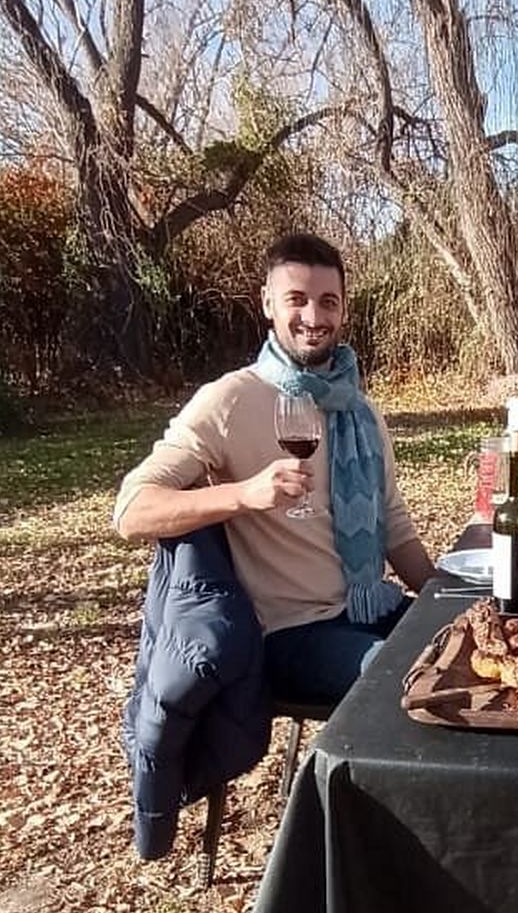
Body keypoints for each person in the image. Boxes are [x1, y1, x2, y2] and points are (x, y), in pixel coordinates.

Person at [115, 231, 437, 703]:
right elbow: (131, 509)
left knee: (476, 655)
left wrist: (444, 602)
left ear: (343, 309)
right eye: (296, 299)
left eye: (328, 302)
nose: (313, 316)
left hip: (369, 608)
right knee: (410, 679)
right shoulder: (230, 400)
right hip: (289, 635)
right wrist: (243, 495)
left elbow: (395, 528)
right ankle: (332, 779)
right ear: (267, 303)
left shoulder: (361, 411)